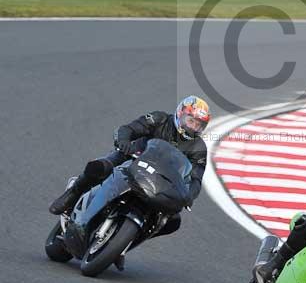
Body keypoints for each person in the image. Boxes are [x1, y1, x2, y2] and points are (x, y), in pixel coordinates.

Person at [49, 96, 211, 242]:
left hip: (161, 181)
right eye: (191, 121)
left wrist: (189, 196)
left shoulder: (199, 148)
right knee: (99, 167)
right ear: (180, 114)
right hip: (133, 157)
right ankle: (72, 195)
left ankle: (128, 241)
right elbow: (129, 129)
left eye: (198, 125)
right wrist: (124, 142)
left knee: (173, 221)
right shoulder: (159, 119)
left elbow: (196, 178)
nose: (193, 127)